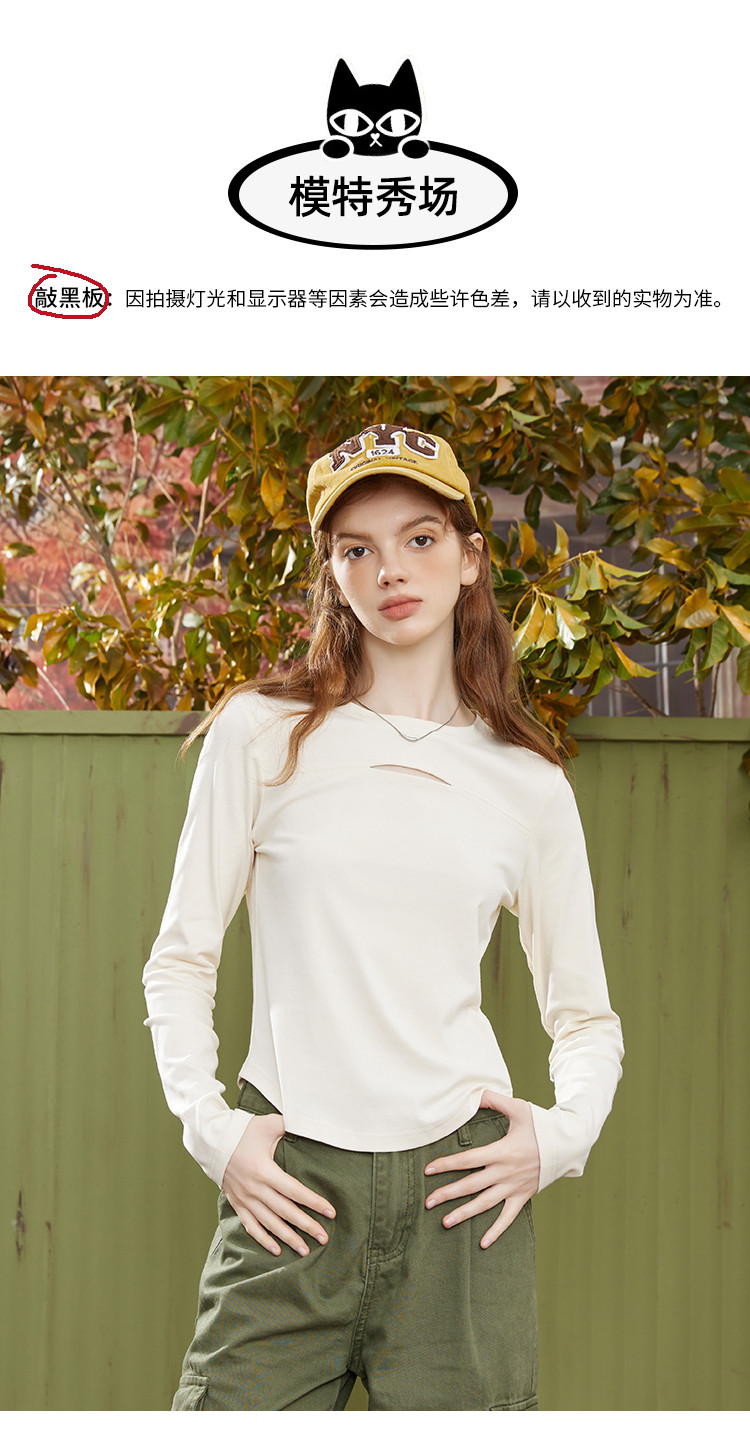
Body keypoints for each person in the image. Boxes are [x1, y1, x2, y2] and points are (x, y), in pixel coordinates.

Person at [143, 422, 624, 1412]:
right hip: (289, 1185)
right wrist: (211, 1130)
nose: (390, 569)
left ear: (470, 558)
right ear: (332, 574)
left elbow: (584, 1015)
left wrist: (561, 1136)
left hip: (461, 1195)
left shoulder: (527, 782)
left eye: (419, 538)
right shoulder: (261, 735)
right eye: (356, 548)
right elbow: (180, 958)